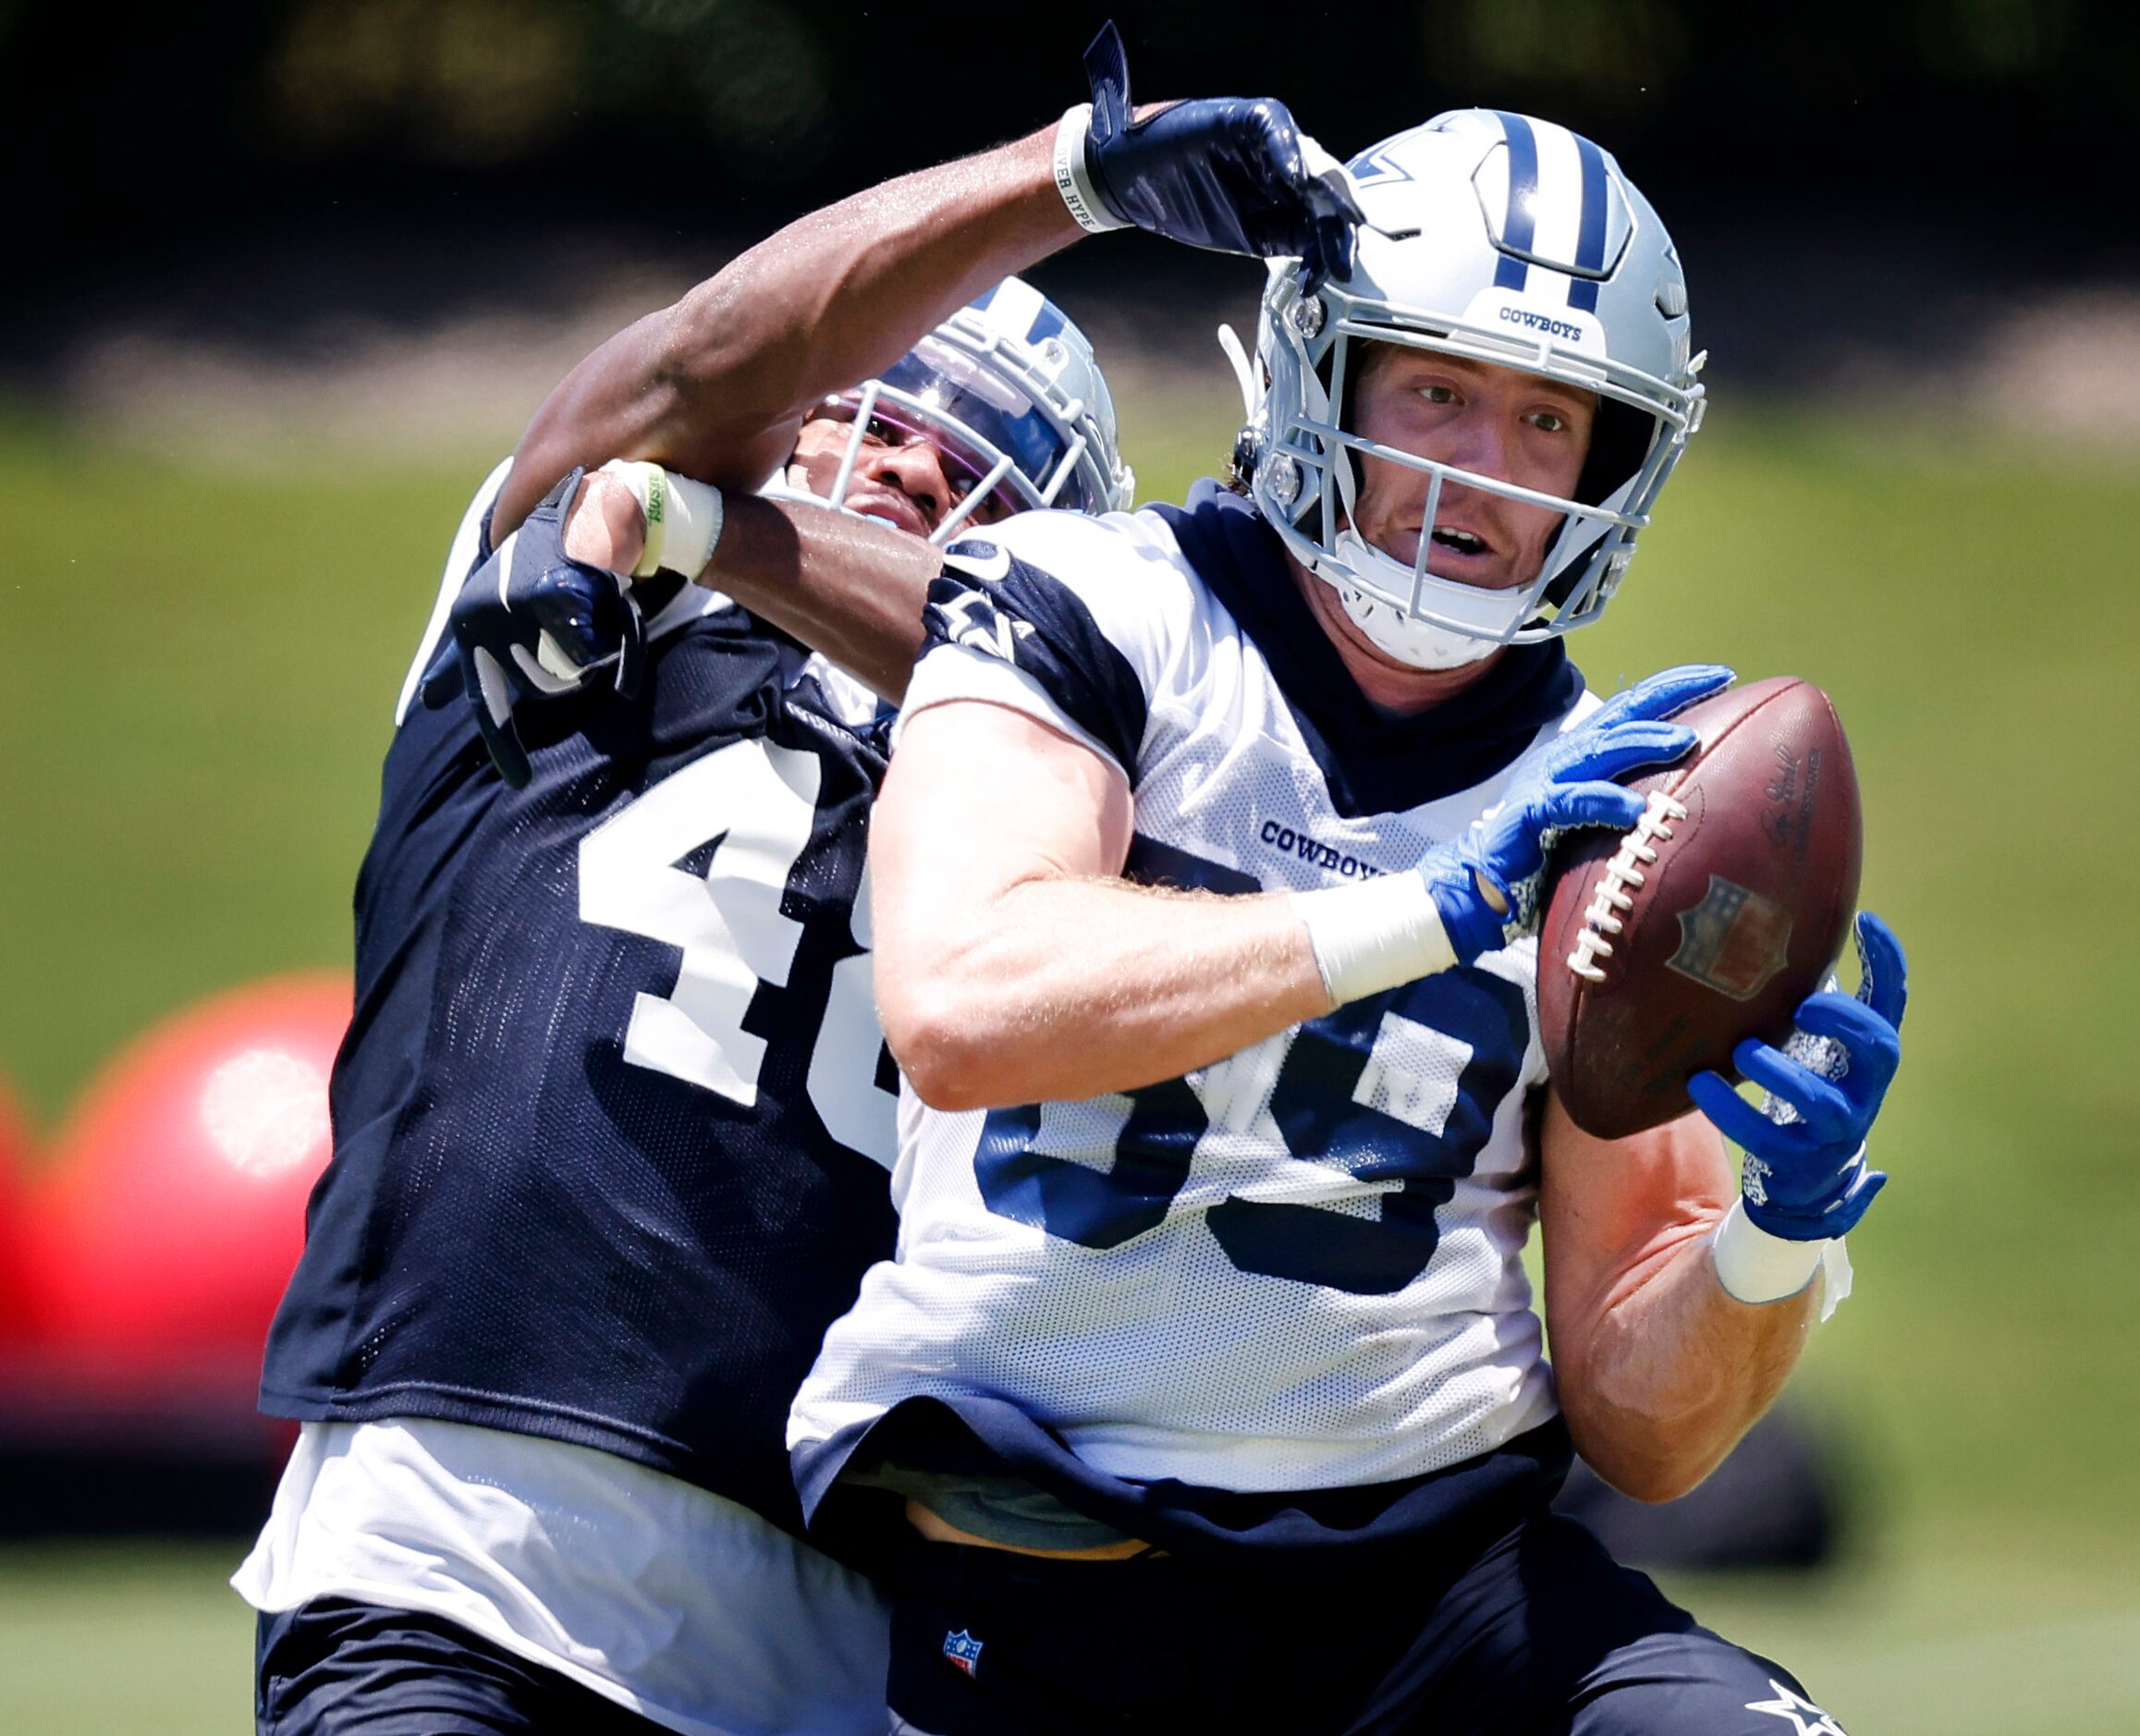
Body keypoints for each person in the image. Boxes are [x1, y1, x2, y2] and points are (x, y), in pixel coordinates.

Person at [232, 33, 1363, 1735]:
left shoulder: (1060, 796)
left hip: (843, 1659)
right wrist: (1073, 175)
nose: (904, 461)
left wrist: (720, 534)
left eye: (972, 461)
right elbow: (692, 369)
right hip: (456, 1560)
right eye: (869, 408)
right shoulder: (567, 589)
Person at [787, 108, 1909, 1734]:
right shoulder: (1088, 604)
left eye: (1546, 418)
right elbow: (966, 1001)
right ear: (1324, 367)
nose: (1481, 467)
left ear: (1615, 459)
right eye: (1438, 389)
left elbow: (1643, 1423)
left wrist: (1775, 1233)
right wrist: (1428, 907)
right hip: (1054, 1552)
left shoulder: (1609, 801)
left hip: (1426, 1580)